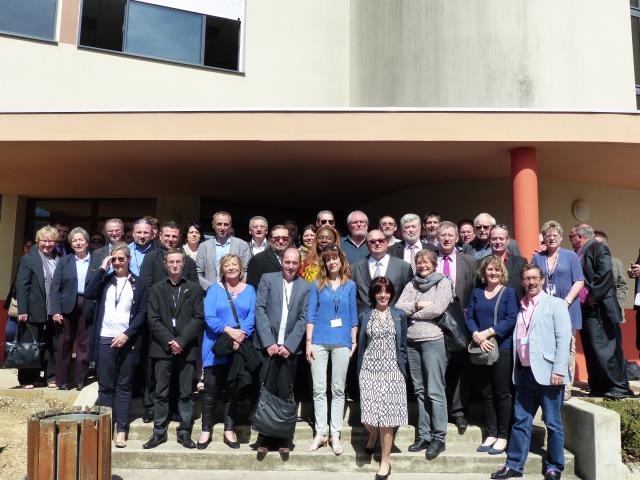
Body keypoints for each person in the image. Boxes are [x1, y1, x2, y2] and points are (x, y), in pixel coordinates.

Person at [490, 264, 571, 480]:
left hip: (549, 373)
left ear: (542, 280)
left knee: (553, 423)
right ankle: (515, 465)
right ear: (522, 282)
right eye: (527, 279)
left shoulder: (555, 304)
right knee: (520, 421)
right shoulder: (521, 306)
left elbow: (564, 339)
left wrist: (559, 370)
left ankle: (555, 467)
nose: (531, 282)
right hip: (524, 372)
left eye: (535, 278)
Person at [84, 242, 148, 448]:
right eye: (115, 259)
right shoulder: (105, 280)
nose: (118, 262)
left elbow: (142, 313)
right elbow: (89, 293)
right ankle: (105, 428)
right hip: (105, 338)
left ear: (129, 260)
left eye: (122, 259)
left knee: (123, 386)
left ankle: (121, 430)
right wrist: (103, 267)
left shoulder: (139, 283)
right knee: (105, 386)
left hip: (126, 340)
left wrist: (127, 334)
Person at [143, 249, 203, 450]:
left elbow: (198, 317)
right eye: (171, 262)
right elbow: (153, 319)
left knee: (186, 392)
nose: (175, 265)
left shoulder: (194, 288)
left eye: (178, 261)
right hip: (162, 348)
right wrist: (170, 341)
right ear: (165, 265)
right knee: (161, 392)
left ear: (184, 264)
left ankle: (184, 431)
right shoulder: (156, 289)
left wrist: (182, 341)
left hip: (187, 349)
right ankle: (158, 431)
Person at [139, 221, 199, 423]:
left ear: (179, 237)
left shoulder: (187, 261)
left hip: (182, 327)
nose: (170, 239)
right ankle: (150, 408)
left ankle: (175, 409)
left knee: (179, 374)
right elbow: (146, 286)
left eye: (174, 236)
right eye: (167, 236)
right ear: (159, 236)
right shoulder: (150, 258)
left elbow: (193, 289)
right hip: (158, 322)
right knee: (154, 371)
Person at [396, 249, 452, 460]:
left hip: (432, 340)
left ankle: (439, 436)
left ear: (434, 264)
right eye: (419, 263)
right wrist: (419, 304)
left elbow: (437, 309)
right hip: (411, 342)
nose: (423, 266)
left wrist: (413, 313)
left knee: (435, 390)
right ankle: (424, 434)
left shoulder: (442, 283)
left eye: (427, 262)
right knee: (419, 390)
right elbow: (400, 308)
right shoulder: (411, 285)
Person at [254, 248, 309, 455]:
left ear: (299, 264)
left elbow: (304, 318)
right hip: (268, 348)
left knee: (285, 393)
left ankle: (284, 438)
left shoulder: (305, 286)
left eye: (295, 262)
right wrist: (268, 342)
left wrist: (289, 345)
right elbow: (259, 309)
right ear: (282, 262)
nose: (291, 266)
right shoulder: (268, 279)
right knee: (267, 392)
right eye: (287, 262)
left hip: (289, 350)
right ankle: (265, 438)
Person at [198, 254, 256, 450]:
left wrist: (241, 335)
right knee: (211, 389)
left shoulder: (250, 290)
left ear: (240, 269)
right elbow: (210, 317)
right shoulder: (214, 290)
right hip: (216, 345)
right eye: (227, 265)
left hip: (239, 346)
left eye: (234, 265)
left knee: (232, 388)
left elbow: (252, 316)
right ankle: (206, 429)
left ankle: (229, 429)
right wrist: (229, 331)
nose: (231, 268)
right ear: (222, 269)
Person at [305, 245, 358, 455]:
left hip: (342, 341)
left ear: (341, 260)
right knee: (319, 389)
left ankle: (335, 434)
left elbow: (353, 316)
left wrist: (353, 341)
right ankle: (321, 433)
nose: (332, 262)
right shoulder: (317, 285)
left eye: (335, 258)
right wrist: (309, 342)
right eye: (328, 260)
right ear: (324, 263)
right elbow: (311, 315)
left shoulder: (350, 285)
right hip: (319, 339)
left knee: (338, 389)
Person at [569, 224, 631, 399]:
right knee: (591, 349)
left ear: (580, 236)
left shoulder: (598, 248)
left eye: (571, 236)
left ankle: (617, 388)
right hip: (586, 310)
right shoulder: (578, 253)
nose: (570, 240)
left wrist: (592, 298)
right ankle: (598, 385)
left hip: (599, 309)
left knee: (604, 348)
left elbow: (605, 274)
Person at [465, 256, 518, 454]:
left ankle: (503, 435)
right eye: (489, 270)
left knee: (502, 393)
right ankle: (491, 433)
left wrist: (489, 332)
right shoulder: (477, 292)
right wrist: (478, 336)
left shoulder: (509, 293)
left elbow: (511, 318)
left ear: (502, 272)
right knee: (486, 393)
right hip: (481, 348)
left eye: (497, 270)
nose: (493, 273)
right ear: (484, 273)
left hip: (502, 348)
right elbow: (469, 317)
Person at [357, 277, 408, 480]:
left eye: (386, 291)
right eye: (379, 291)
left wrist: (402, 370)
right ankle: (372, 434)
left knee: (386, 418)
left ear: (391, 293)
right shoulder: (365, 315)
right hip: (369, 369)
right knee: (368, 417)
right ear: (373, 294)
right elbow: (361, 343)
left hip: (392, 371)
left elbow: (402, 345)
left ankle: (385, 461)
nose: (383, 295)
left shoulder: (399, 315)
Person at [532, 220, 584, 400]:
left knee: (567, 345)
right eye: (548, 235)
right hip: (545, 307)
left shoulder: (571, 256)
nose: (551, 238)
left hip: (567, 306)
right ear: (543, 238)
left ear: (561, 238)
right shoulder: (538, 257)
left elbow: (579, 280)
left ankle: (566, 385)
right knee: (547, 344)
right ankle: (548, 380)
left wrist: (567, 301)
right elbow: (533, 279)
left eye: (555, 235)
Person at [436, 221, 477, 432]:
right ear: (437, 237)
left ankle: (458, 412)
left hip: (461, 323)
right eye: (442, 235)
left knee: (460, 368)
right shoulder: (428, 260)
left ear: (456, 238)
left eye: (450, 235)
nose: (446, 238)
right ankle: (440, 411)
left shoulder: (469, 262)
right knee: (438, 368)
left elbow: (475, 292)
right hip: (435, 323)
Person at [15, 225, 60, 388]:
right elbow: (22, 285)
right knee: (30, 345)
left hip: (53, 310)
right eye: (44, 240)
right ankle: (27, 378)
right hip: (33, 309)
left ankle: (51, 377)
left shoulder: (59, 258)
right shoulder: (28, 258)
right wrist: (23, 310)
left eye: (51, 241)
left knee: (51, 344)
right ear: (38, 241)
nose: (47, 244)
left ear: (56, 242)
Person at [50, 227, 96, 390]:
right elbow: (55, 287)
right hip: (67, 305)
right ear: (71, 243)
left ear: (87, 242)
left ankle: (80, 381)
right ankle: (62, 381)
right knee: (64, 343)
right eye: (74, 240)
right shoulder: (64, 261)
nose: (78, 243)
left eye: (81, 239)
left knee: (84, 344)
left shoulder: (96, 260)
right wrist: (55, 310)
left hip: (88, 304)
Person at [352, 229, 412, 311]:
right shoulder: (354, 268)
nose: (377, 243)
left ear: (387, 242)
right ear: (366, 245)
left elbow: (408, 297)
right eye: (372, 242)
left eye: (381, 240)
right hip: (365, 320)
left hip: (394, 319)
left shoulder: (404, 267)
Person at [196, 211, 251, 291]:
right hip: (211, 293)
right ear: (213, 225)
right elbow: (198, 273)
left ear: (230, 226)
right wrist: (212, 288)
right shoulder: (204, 247)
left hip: (235, 293)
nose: (222, 228)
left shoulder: (242, 245)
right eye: (219, 224)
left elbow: (246, 271)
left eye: (226, 224)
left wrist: (237, 288)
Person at [594, 230, 628, 317]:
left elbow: (623, 286)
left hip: (612, 311)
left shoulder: (616, 263)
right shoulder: (585, 263)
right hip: (592, 311)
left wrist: (617, 302)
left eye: (600, 244)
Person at [246, 225, 291, 289]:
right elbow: (253, 289)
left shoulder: (294, 259)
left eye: (285, 238)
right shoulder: (258, 260)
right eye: (277, 238)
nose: (281, 241)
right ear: (270, 240)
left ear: (289, 240)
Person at [488, 225, 527, 299]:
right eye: (494, 239)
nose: (498, 242)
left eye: (501, 239)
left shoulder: (521, 263)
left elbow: (527, 287)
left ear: (507, 240)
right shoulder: (481, 263)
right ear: (489, 240)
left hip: (515, 307)